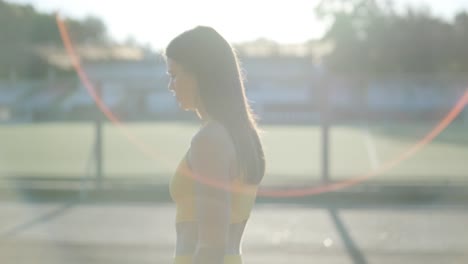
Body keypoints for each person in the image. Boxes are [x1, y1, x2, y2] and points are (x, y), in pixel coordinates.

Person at [165, 26, 266, 264]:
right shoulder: (238, 133)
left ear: (200, 74)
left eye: (174, 75)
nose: (171, 86)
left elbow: (211, 246)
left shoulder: (209, 140)